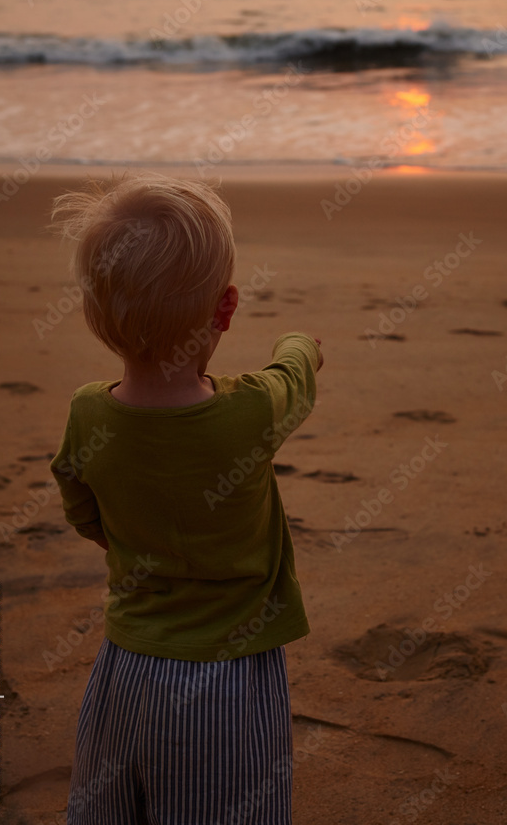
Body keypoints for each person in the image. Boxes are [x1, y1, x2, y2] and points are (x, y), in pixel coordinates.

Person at [49, 173, 323, 825]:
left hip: (121, 673)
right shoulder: (249, 411)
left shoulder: (90, 413)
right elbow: (295, 379)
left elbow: (76, 493)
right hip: (224, 683)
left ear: (98, 317)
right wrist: (301, 344)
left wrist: (115, 535)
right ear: (224, 310)